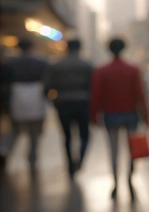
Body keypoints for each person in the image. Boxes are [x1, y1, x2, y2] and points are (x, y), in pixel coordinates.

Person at [90, 38, 149, 200]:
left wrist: (94, 116)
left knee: (113, 150)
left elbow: (96, 95)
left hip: (110, 115)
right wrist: (146, 116)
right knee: (132, 149)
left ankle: (115, 182)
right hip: (131, 114)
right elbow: (140, 94)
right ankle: (130, 178)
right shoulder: (133, 69)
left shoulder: (101, 70)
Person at [43, 39, 93, 176]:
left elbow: (47, 87)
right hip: (83, 103)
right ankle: (80, 160)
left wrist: (54, 101)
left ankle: (70, 164)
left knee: (67, 136)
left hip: (63, 103)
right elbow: (93, 87)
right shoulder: (87, 65)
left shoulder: (56, 66)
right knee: (85, 135)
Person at [0, 38, 49, 171]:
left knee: (15, 130)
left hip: (17, 99)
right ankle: (32, 159)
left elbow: (5, 85)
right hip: (37, 99)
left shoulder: (10, 64)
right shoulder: (41, 63)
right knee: (34, 133)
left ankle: (4, 149)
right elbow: (47, 82)